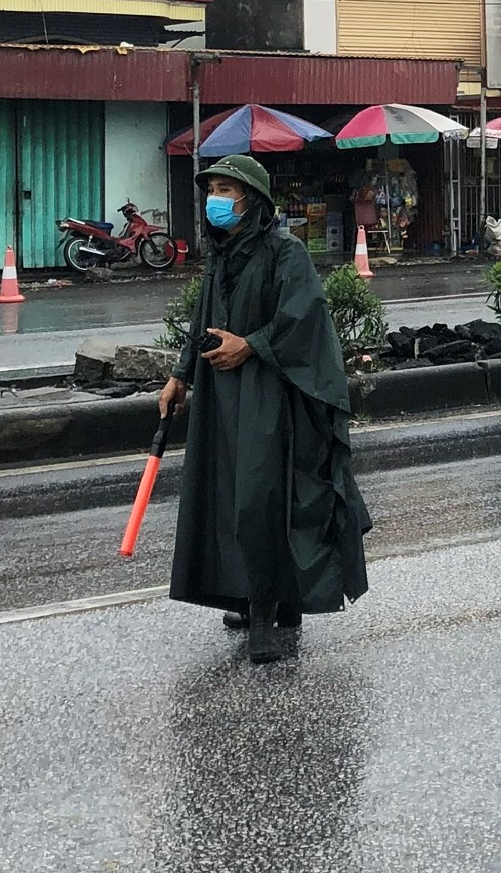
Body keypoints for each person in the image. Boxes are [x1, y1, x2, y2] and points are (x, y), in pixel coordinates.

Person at [158, 154, 372, 664]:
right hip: (221, 398)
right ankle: (253, 597)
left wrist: (250, 345)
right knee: (226, 497)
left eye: (225, 191)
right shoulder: (222, 255)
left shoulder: (284, 252)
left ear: (251, 200)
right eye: (211, 190)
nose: (215, 200)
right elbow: (203, 319)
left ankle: (265, 614)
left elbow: (303, 318)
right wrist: (180, 375)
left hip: (269, 396)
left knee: (259, 500)